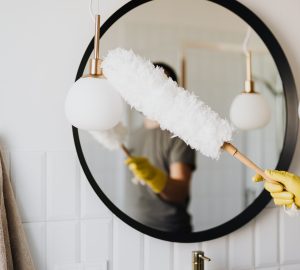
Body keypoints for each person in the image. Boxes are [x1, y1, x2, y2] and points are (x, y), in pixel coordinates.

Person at [125, 62, 196, 233]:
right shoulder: (133, 135)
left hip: (170, 230)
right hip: (133, 225)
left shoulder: (180, 135)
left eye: (158, 85)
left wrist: (153, 176)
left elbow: (179, 192)